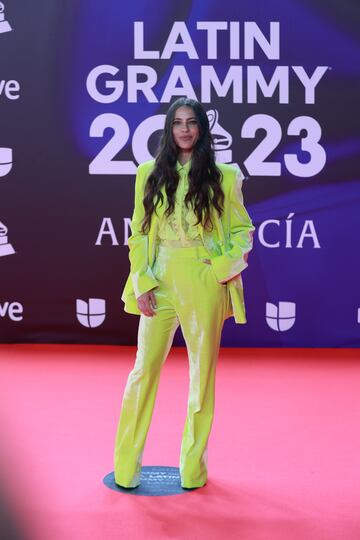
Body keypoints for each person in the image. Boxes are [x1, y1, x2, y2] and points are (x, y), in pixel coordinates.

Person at [114, 97, 255, 490]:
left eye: (192, 123)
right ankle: (126, 467)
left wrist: (222, 267)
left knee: (201, 376)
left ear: (202, 129)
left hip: (203, 279)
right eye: (178, 123)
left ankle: (193, 469)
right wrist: (142, 280)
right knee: (143, 371)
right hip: (159, 279)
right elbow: (139, 232)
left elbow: (244, 230)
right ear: (169, 129)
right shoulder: (148, 173)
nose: (185, 129)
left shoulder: (225, 176)